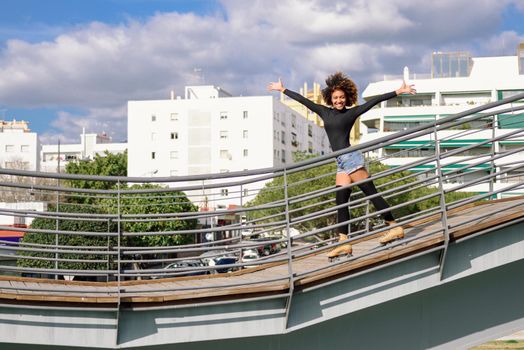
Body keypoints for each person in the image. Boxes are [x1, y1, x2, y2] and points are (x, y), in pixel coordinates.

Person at [268, 72, 416, 259]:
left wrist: (399, 91)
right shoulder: (324, 111)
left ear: (346, 98)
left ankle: (394, 226)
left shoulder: (351, 112)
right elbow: (304, 101)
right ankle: (344, 242)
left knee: (370, 192)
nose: (338, 100)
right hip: (340, 162)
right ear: (331, 98)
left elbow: (374, 101)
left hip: (351, 158)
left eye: (342, 97)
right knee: (341, 200)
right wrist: (283, 89)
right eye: (336, 97)